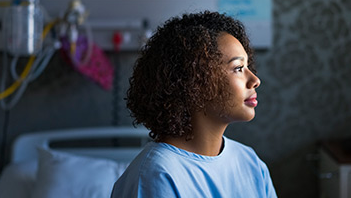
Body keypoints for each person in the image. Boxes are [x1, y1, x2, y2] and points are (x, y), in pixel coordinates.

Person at [111, 11, 277, 197]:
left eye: (248, 67)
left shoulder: (250, 162)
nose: (255, 80)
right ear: (195, 81)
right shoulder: (157, 176)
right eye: (238, 68)